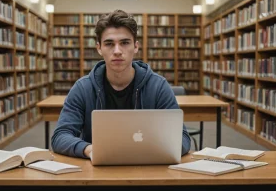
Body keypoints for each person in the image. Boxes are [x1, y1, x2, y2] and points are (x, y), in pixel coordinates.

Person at [51, 9, 191, 159]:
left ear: (136, 47)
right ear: (99, 48)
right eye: (109, 44)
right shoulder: (82, 88)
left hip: (147, 168)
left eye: (124, 43)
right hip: (96, 172)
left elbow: (182, 139)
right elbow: (60, 136)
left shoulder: (158, 87)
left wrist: (148, 150)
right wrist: (88, 149)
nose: (117, 51)